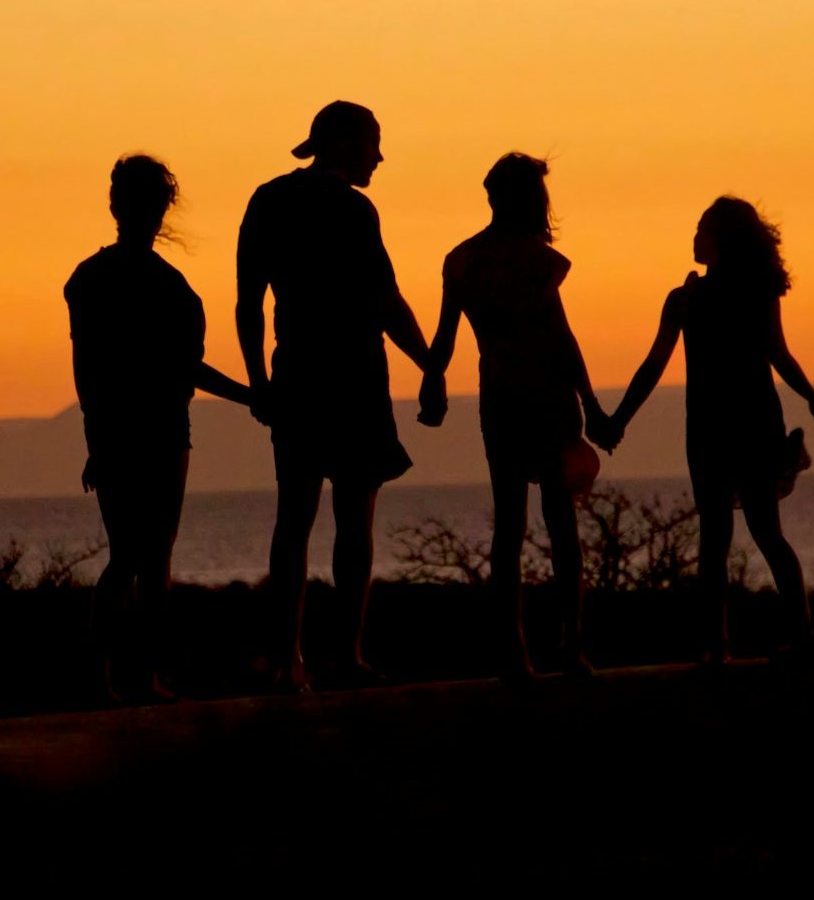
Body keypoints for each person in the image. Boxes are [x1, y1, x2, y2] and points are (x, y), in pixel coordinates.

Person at [236, 101, 430, 691]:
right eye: (373, 142)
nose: (379, 155)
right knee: (353, 523)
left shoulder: (267, 200)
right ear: (344, 144)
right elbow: (385, 300)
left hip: (294, 376)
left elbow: (248, 303)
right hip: (354, 380)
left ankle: (287, 659)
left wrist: (258, 384)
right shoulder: (353, 209)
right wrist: (431, 364)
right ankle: (346, 655)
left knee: (292, 521)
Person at [605, 196, 814, 667]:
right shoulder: (710, 296)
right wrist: (619, 420)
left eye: (701, 230)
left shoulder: (693, 298)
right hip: (741, 424)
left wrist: (618, 420)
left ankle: (727, 645)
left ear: (721, 240)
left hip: (723, 426)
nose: (693, 238)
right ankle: (779, 639)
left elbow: (657, 365)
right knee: (756, 535)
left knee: (726, 538)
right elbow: (777, 353)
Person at [65, 154, 251, 703]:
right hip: (152, 431)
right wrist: (251, 396)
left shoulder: (99, 279)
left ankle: (128, 674)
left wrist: (95, 439)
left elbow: (90, 371)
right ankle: (126, 675)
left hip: (142, 430)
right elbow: (173, 367)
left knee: (140, 555)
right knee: (142, 555)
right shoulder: (157, 285)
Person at [419, 153, 609, 681]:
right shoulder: (539, 261)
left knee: (510, 524)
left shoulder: (462, 261)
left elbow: (445, 336)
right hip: (546, 399)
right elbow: (561, 340)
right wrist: (590, 403)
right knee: (560, 523)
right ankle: (570, 646)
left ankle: (516, 651)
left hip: (499, 400)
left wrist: (433, 383)